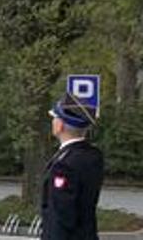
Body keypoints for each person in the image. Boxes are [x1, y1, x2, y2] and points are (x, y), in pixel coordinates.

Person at [42, 95, 104, 240]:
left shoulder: (64, 165)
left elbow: (61, 214)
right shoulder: (93, 155)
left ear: (60, 125)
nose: (53, 122)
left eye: (54, 118)